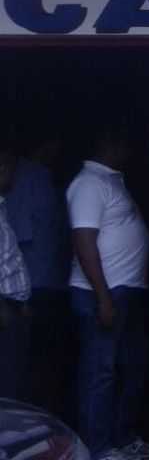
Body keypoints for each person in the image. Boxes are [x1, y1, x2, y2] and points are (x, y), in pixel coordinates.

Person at [67, 128, 149, 460]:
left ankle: (123, 438)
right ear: (113, 147)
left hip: (125, 290)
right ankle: (97, 447)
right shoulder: (89, 183)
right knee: (99, 372)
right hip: (102, 293)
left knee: (134, 363)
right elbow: (83, 241)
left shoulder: (110, 181)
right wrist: (103, 297)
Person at [4, 130, 73, 417]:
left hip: (45, 285)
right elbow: (16, 242)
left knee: (48, 359)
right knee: (27, 367)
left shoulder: (40, 177)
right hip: (35, 286)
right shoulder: (27, 180)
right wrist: (17, 300)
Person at [0, 143, 33, 403]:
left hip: (12, 308)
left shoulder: (3, 208)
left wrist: (21, 304)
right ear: (3, 169)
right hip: (3, 313)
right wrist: (5, 312)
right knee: (7, 392)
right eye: (15, 170)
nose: (17, 177)